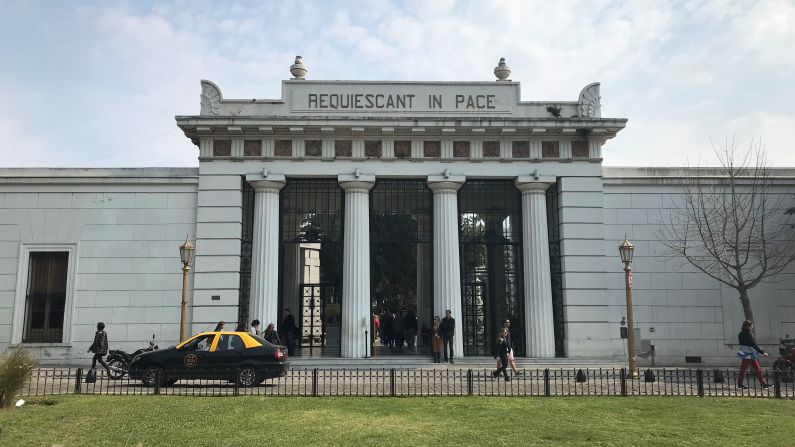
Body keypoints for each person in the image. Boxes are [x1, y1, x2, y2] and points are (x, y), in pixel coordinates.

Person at [737, 320, 772, 389]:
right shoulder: (749, 334)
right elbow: (753, 345)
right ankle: (764, 384)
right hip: (751, 354)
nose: (752, 327)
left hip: (745, 353)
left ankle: (740, 384)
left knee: (743, 370)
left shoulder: (740, 334)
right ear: (748, 326)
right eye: (751, 326)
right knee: (757, 370)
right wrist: (763, 352)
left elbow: (742, 343)